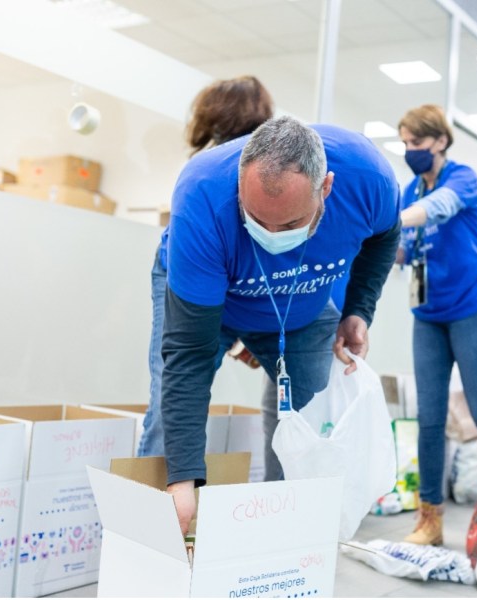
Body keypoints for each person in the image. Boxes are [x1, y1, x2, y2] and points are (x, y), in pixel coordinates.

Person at [161, 116, 401, 534]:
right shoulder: (203, 195)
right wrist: (184, 479)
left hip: (302, 307)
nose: (270, 235)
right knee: (167, 423)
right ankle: (162, 536)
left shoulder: (368, 179)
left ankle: (282, 537)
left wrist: (359, 310)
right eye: (255, 219)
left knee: (308, 419)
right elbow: (188, 356)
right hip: (209, 299)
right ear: (239, 186)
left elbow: (385, 237)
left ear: (325, 188)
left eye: (289, 224)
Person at [396, 104, 477, 546]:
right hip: (428, 316)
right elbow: (404, 250)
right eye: (405, 143)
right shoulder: (408, 191)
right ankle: (429, 520)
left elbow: (438, 208)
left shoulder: (461, 178)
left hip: (473, 311)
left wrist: (389, 220)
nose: (411, 150)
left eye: (417, 142)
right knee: (429, 419)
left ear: (441, 141)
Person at [138, 75, 274, 457]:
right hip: (185, 275)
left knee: (169, 398)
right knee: (173, 396)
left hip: (236, 281)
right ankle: (154, 508)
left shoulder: (271, 166)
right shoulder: (205, 171)